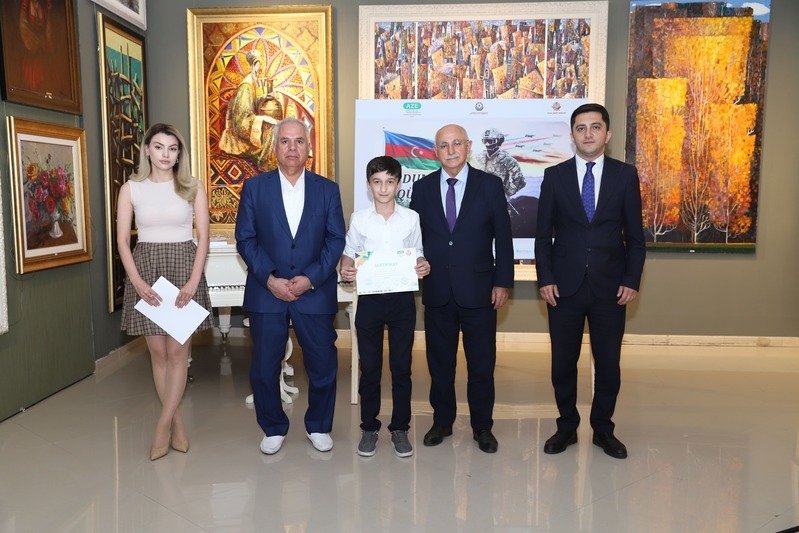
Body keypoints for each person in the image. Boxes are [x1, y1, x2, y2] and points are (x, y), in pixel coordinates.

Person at [535, 103, 646, 459]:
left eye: (595, 127)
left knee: (608, 364)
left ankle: (603, 429)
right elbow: (543, 236)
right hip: (563, 288)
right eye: (581, 128)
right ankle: (566, 426)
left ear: (607, 134)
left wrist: (631, 279)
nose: (588, 134)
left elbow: (636, 237)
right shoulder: (554, 176)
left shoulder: (625, 176)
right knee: (562, 364)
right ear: (572, 136)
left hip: (610, 288)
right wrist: (545, 278)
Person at [235, 117, 345, 455]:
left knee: (322, 364)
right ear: (275, 147)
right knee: (264, 365)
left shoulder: (327, 189)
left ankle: (319, 426)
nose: (292, 147)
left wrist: (310, 278)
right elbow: (246, 239)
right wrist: (270, 279)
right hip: (267, 293)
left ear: (309, 147)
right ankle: (273, 427)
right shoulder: (255, 188)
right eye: (285, 141)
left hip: (314, 292)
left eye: (299, 141)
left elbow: (335, 240)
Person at [409, 124, 514, 454]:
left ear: (468, 146)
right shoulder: (423, 189)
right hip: (438, 291)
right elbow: (412, 238)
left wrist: (502, 281)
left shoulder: (490, 185)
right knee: (440, 365)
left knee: (481, 365)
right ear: (435, 151)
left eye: (457, 143)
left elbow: (503, 238)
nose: (451, 150)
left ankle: (482, 426)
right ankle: (442, 422)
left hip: (480, 291)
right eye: (444, 145)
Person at [117, 123, 213, 461]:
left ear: (178, 153)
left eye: (172, 149)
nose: (165, 154)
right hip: (145, 272)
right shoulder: (131, 189)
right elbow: (122, 241)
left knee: (177, 353)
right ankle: (177, 423)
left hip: (183, 268)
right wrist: (137, 281)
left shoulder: (192, 187)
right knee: (158, 354)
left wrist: (193, 280)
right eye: (159, 147)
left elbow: (203, 237)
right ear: (147, 150)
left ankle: (162, 427)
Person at [340, 156, 431, 458]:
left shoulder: (411, 218)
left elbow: (417, 251)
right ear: (369, 185)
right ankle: (369, 427)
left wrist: (421, 264)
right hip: (370, 300)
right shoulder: (359, 219)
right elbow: (349, 252)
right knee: (370, 368)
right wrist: (346, 267)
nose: (383, 188)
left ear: (398, 184)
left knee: (401, 368)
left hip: (403, 300)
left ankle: (400, 428)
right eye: (377, 182)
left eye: (389, 182)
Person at [218, 49, 283, 172]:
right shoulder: (245, 87)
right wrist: (263, 118)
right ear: (255, 64)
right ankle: (266, 164)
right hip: (238, 139)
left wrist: (265, 97)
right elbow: (241, 122)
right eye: (259, 65)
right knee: (272, 128)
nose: (260, 69)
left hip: (245, 129)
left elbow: (250, 104)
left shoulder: (250, 84)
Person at [474, 128, 525, 211]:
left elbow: (519, 180)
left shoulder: (507, 160)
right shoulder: (478, 158)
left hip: (500, 202)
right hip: (479, 202)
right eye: (485, 141)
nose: (487, 144)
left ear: (498, 141)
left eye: (490, 141)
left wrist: (508, 192)